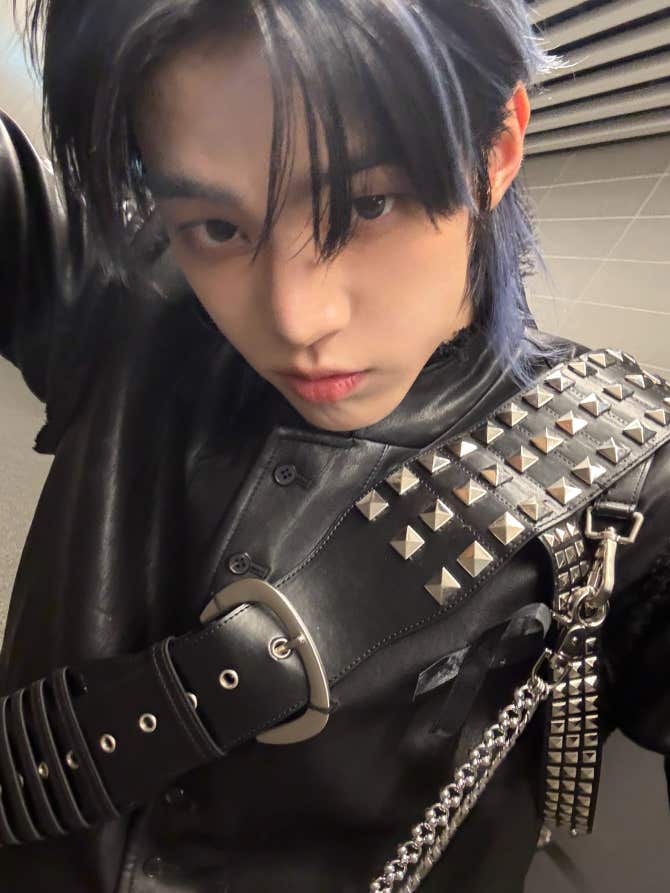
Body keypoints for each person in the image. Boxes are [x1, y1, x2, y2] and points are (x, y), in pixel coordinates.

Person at [0, 1, 669, 891]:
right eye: (217, 227)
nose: (294, 318)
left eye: (366, 203)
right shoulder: (127, 309)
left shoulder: (631, 485)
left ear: (498, 146)